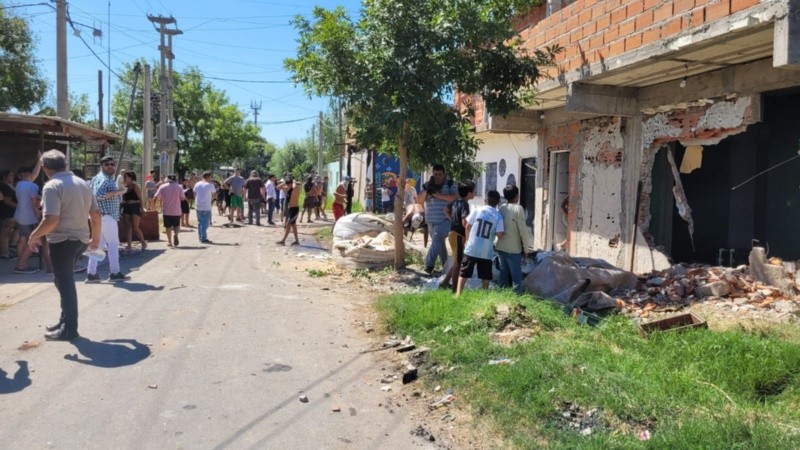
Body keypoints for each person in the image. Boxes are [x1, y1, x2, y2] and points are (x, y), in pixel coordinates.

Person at [28, 149, 101, 341]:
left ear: (44, 168)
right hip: (81, 240)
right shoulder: (82, 183)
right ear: (65, 164)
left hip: (62, 241)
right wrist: (95, 239)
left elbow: (51, 219)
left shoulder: (52, 185)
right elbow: (95, 214)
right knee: (61, 281)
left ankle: (70, 329)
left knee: (65, 284)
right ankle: (65, 321)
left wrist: (34, 235)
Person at [86, 156, 129, 283]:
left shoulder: (96, 178)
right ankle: (115, 272)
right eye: (107, 164)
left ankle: (91, 273)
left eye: (112, 164)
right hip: (106, 216)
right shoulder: (104, 179)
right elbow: (98, 195)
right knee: (113, 244)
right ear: (101, 166)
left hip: (100, 217)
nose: (110, 166)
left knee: (97, 245)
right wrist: (118, 191)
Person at [456, 190, 504, 297]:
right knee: (485, 275)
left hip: (472, 247)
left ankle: (458, 294)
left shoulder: (478, 210)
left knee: (464, 272)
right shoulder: (498, 216)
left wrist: (467, 240)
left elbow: (467, 226)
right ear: (498, 202)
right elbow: (500, 234)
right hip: (486, 250)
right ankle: (484, 296)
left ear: (485, 200)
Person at [417, 164, 458, 276]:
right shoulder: (428, 185)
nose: (438, 177)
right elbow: (419, 201)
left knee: (437, 239)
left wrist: (439, 195)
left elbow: (455, 198)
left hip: (445, 219)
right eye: (435, 174)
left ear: (444, 174)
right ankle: (446, 268)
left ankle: (428, 266)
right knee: (439, 244)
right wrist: (426, 192)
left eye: (440, 174)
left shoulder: (450, 184)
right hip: (430, 220)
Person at [496, 185, 533, 294]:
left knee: (503, 273)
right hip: (513, 249)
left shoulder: (502, 208)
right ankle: (518, 299)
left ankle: (500, 297)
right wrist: (526, 249)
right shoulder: (518, 208)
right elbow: (523, 231)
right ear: (517, 195)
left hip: (501, 246)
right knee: (516, 276)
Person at [441, 181, 475, 291]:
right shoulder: (465, 204)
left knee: (457, 260)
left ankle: (445, 283)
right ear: (469, 193)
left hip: (453, 233)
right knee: (458, 262)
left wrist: (453, 220)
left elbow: (446, 210)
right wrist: (468, 237)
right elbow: (465, 222)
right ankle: (455, 289)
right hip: (459, 235)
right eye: (473, 191)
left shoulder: (456, 201)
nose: (475, 193)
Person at [12, 158, 43, 273]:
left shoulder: (18, 185)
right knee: (33, 240)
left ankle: (21, 262)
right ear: (30, 174)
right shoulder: (33, 186)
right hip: (29, 217)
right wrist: (39, 215)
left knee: (22, 239)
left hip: (19, 215)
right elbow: (35, 203)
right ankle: (22, 265)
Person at [154, 175, 186, 248]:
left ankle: (169, 241)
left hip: (166, 211)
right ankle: (176, 234)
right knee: (177, 225)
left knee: (168, 227)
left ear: (167, 179)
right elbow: (183, 198)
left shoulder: (162, 187)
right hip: (177, 210)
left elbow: (156, 197)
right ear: (175, 180)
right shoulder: (179, 187)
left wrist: (154, 207)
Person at [121, 171, 147, 253]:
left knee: (135, 227)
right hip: (126, 207)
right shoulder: (123, 187)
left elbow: (140, 199)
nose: (124, 178)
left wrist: (142, 209)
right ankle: (129, 246)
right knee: (128, 227)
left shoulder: (135, 186)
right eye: (124, 177)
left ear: (131, 178)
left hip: (135, 206)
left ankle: (143, 242)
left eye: (126, 177)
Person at [276, 176, 301, 245]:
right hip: (290, 209)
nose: (287, 185)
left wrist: (293, 181)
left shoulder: (296, 188)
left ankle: (283, 241)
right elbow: (277, 187)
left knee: (288, 224)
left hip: (295, 209)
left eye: (288, 184)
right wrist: (284, 182)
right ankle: (297, 241)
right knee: (293, 225)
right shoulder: (287, 189)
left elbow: (295, 186)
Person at [193, 171, 217, 243]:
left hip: (198, 205)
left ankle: (200, 237)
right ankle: (203, 238)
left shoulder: (197, 184)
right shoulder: (210, 185)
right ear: (208, 177)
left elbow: (194, 193)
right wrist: (211, 199)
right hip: (206, 206)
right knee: (205, 223)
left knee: (200, 222)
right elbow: (214, 194)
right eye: (210, 177)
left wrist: (196, 200)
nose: (211, 178)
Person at [0, 169, 17, 259]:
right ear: (4, 177)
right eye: (10, 175)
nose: (13, 177)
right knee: (4, 233)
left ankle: (8, 250)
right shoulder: (4, 186)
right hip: (7, 213)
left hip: (10, 213)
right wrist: (20, 207)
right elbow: (7, 201)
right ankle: (4, 253)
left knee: (8, 232)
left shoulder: (10, 186)